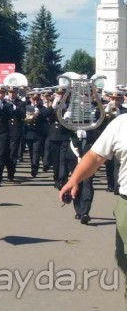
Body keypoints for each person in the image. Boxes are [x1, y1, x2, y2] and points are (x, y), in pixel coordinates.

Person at [59, 112, 127, 299]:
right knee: (124, 260)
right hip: (126, 204)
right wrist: (74, 180)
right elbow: (97, 156)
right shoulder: (121, 123)